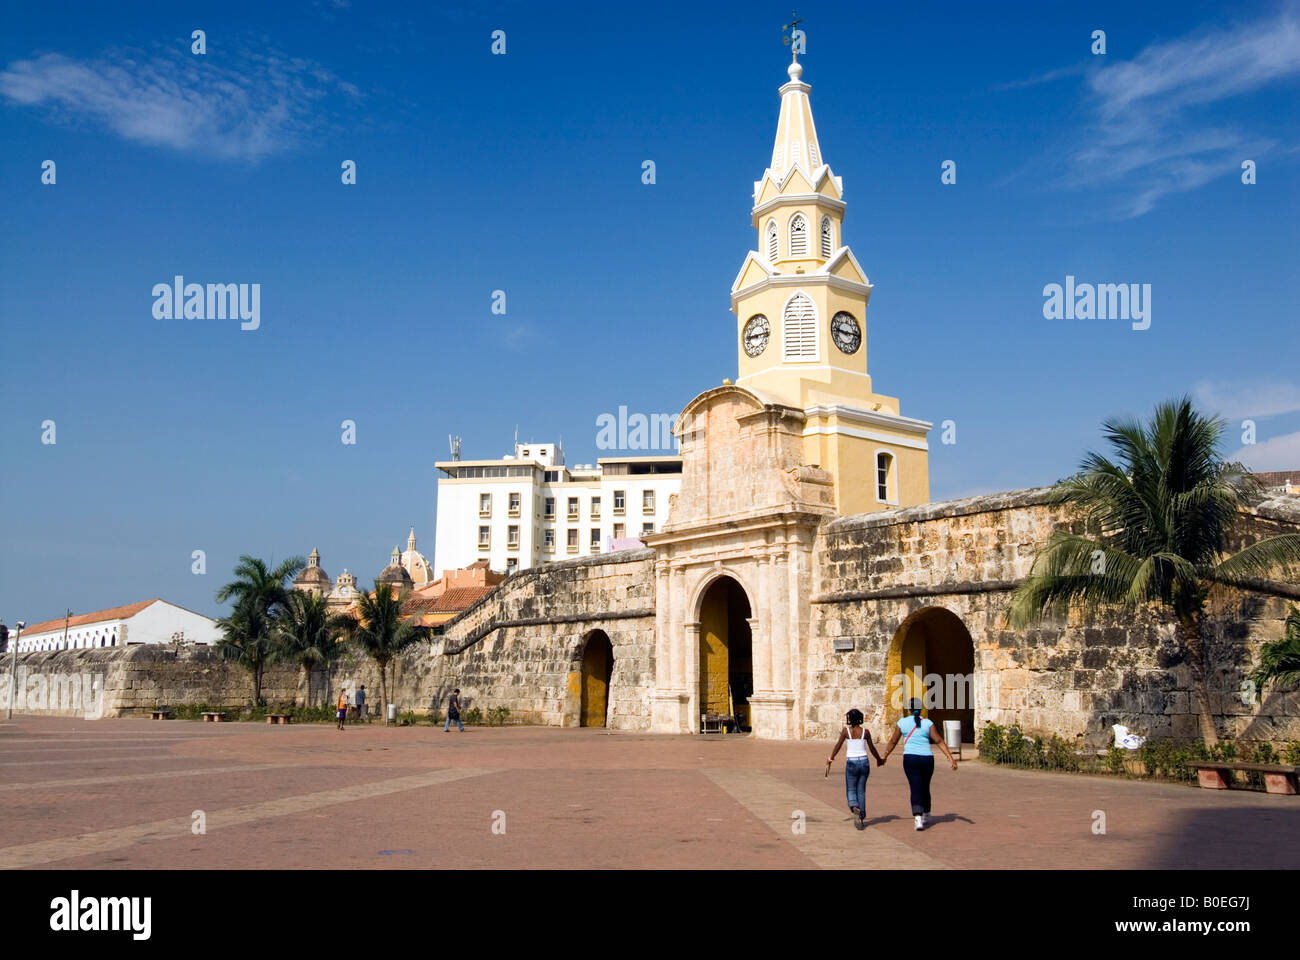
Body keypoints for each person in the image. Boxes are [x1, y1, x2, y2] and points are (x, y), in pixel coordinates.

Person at [879, 699, 957, 830]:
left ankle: (918, 817)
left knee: (915, 786)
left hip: (910, 758)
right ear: (922, 709)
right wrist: (950, 758)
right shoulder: (928, 723)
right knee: (925, 786)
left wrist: (885, 756)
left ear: (909, 709)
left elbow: (893, 741)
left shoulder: (902, 723)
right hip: (927, 759)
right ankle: (926, 812)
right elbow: (938, 740)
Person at [825, 708, 883, 830]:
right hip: (864, 762)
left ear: (849, 719)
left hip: (851, 762)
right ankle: (861, 815)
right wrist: (879, 759)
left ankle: (854, 806)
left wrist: (831, 757)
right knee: (861, 790)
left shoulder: (846, 731)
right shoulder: (865, 732)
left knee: (851, 789)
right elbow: (872, 748)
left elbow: (838, 745)